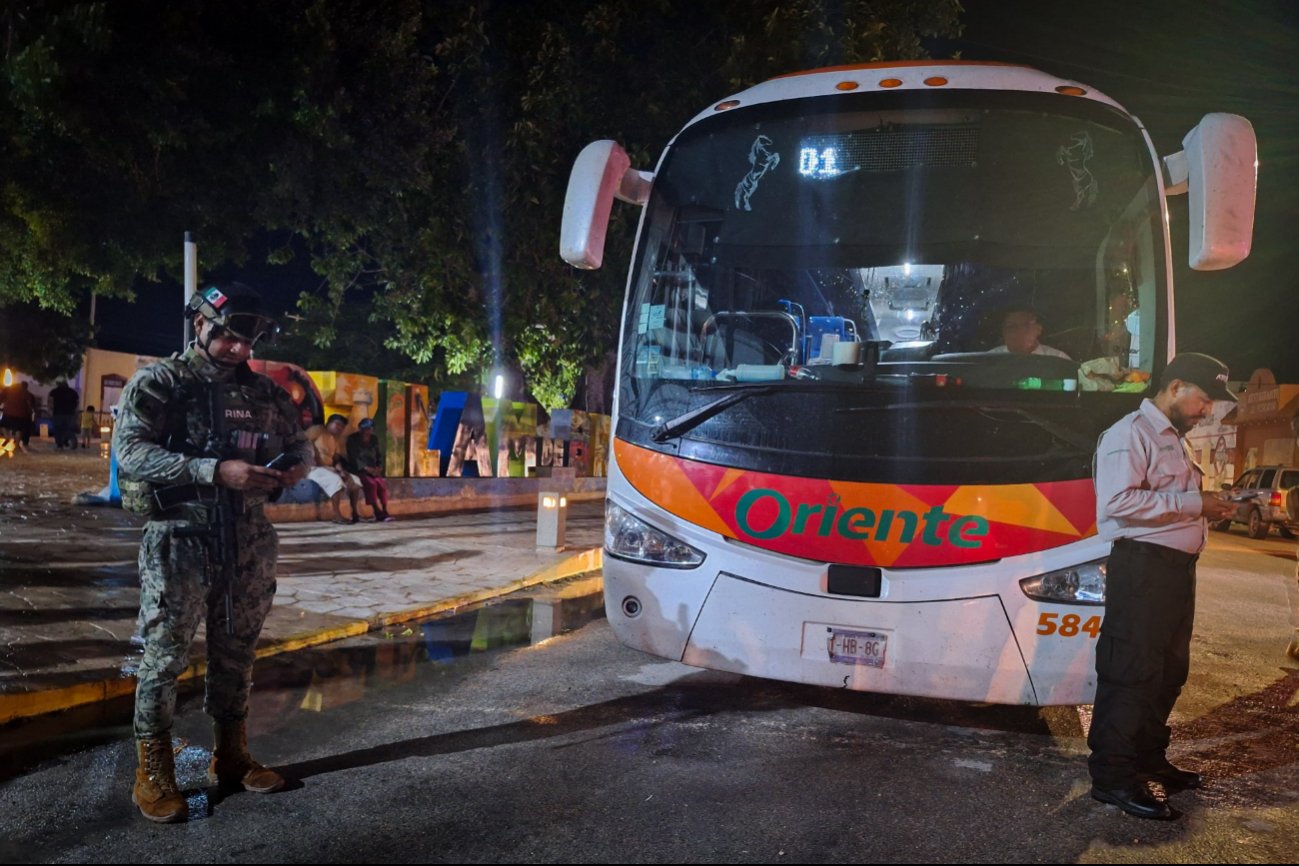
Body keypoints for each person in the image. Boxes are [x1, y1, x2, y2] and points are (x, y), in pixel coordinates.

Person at [112, 282, 313, 824]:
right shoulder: (160, 382)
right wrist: (211, 470)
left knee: (237, 653)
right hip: (181, 537)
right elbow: (128, 452)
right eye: (225, 336)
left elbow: (300, 442)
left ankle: (232, 755)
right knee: (165, 656)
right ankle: (152, 773)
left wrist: (297, 467)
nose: (236, 349)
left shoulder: (267, 395)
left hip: (247, 538)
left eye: (246, 342)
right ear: (198, 325)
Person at [1088, 352, 1238, 820]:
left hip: (1174, 572)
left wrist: (1208, 507)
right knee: (1130, 672)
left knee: (1168, 672)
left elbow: (1169, 499)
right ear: (1176, 387)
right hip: (1143, 570)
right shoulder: (1129, 433)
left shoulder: (1175, 439)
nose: (1207, 410)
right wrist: (1197, 503)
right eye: (1203, 398)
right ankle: (1112, 778)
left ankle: (1149, 759)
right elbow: (1117, 501)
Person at [305, 413, 364, 524]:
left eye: (342, 427)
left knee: (355, 481)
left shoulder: (334, 440)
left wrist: (341, 471)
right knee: (335, 480)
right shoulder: (317, 430)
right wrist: (313, 455)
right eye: (337, 424)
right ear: (329, 423)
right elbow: (303, 442)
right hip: (313, 469)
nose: (339, 428)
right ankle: (337, 515)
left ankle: (355, 513)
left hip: (328, 469)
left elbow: (336, 459)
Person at [346, 417, 394, 521]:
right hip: (359, 470)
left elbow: (378, 455)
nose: (367, 431)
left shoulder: (374, 439)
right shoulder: (352, 439)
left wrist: (379, 467)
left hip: (373, 469)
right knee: (371, 484)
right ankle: (377, 511)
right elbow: (353, 457)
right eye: (365, 428)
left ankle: (384, 509)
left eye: (369, 429)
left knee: (381, 484)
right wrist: (365, 468)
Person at [990, 308, 1071, 359]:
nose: (1019, 332)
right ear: (1003, 331)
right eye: (1011, 327)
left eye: (1025, 326)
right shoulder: (988, 360)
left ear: (1038, 329)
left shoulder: (1059, 359)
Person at [49, 380, 80, 449]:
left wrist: (50, 411)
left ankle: (59, 444)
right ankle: (72, 439)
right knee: (69, 429)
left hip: (58, 413)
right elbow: (77, 403)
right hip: (70, 414)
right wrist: (75, 412)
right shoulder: (73, 392)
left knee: (58, 429)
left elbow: (51, 402)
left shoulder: (54, 391)